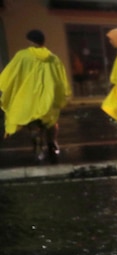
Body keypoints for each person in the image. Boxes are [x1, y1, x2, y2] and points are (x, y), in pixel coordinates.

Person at [0, 29, 70, 162]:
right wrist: (62, 94)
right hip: (48, 98)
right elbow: (60, 78)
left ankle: (38, 148)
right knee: (51, 122)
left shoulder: (23, 56)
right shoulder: (53, 58)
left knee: (33, 124)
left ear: (30, 41)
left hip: (29, 98)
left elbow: (12, 73)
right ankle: (52, 144)